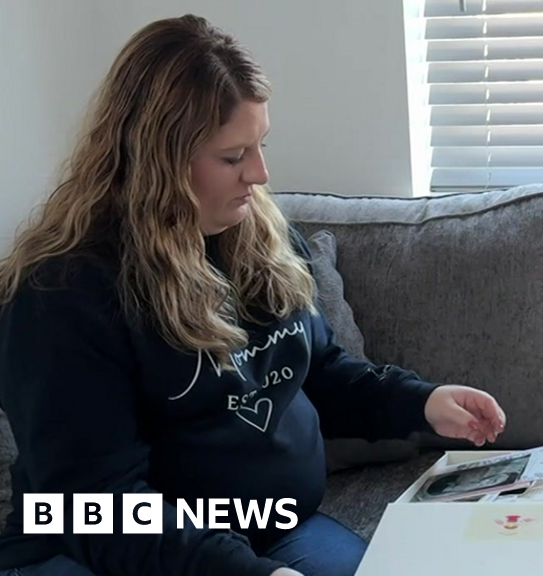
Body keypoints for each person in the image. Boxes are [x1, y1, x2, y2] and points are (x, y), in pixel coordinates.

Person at [0, 14, 506, 576]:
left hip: (270, 531)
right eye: (233, 156)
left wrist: (420, 402)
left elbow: (317, 371)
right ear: (157, 161)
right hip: (107, 556)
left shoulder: (259, 236)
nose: (260, 174)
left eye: (261, 145)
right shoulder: (60, 295)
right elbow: (95, 507)